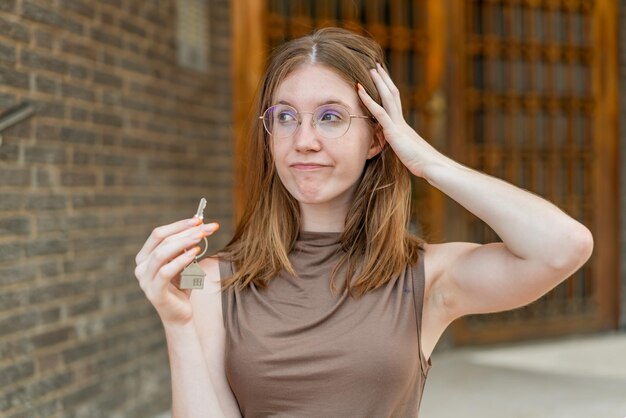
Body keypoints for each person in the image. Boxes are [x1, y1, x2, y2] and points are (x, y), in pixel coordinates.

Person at [134, 27, 594, 417]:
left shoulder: (422, 278)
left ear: (378, 137)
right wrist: (177, 323)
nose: (305, 140)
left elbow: (563, 245)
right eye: (286, 117)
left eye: (331, 117)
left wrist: (426, 160)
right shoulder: (213, 281)